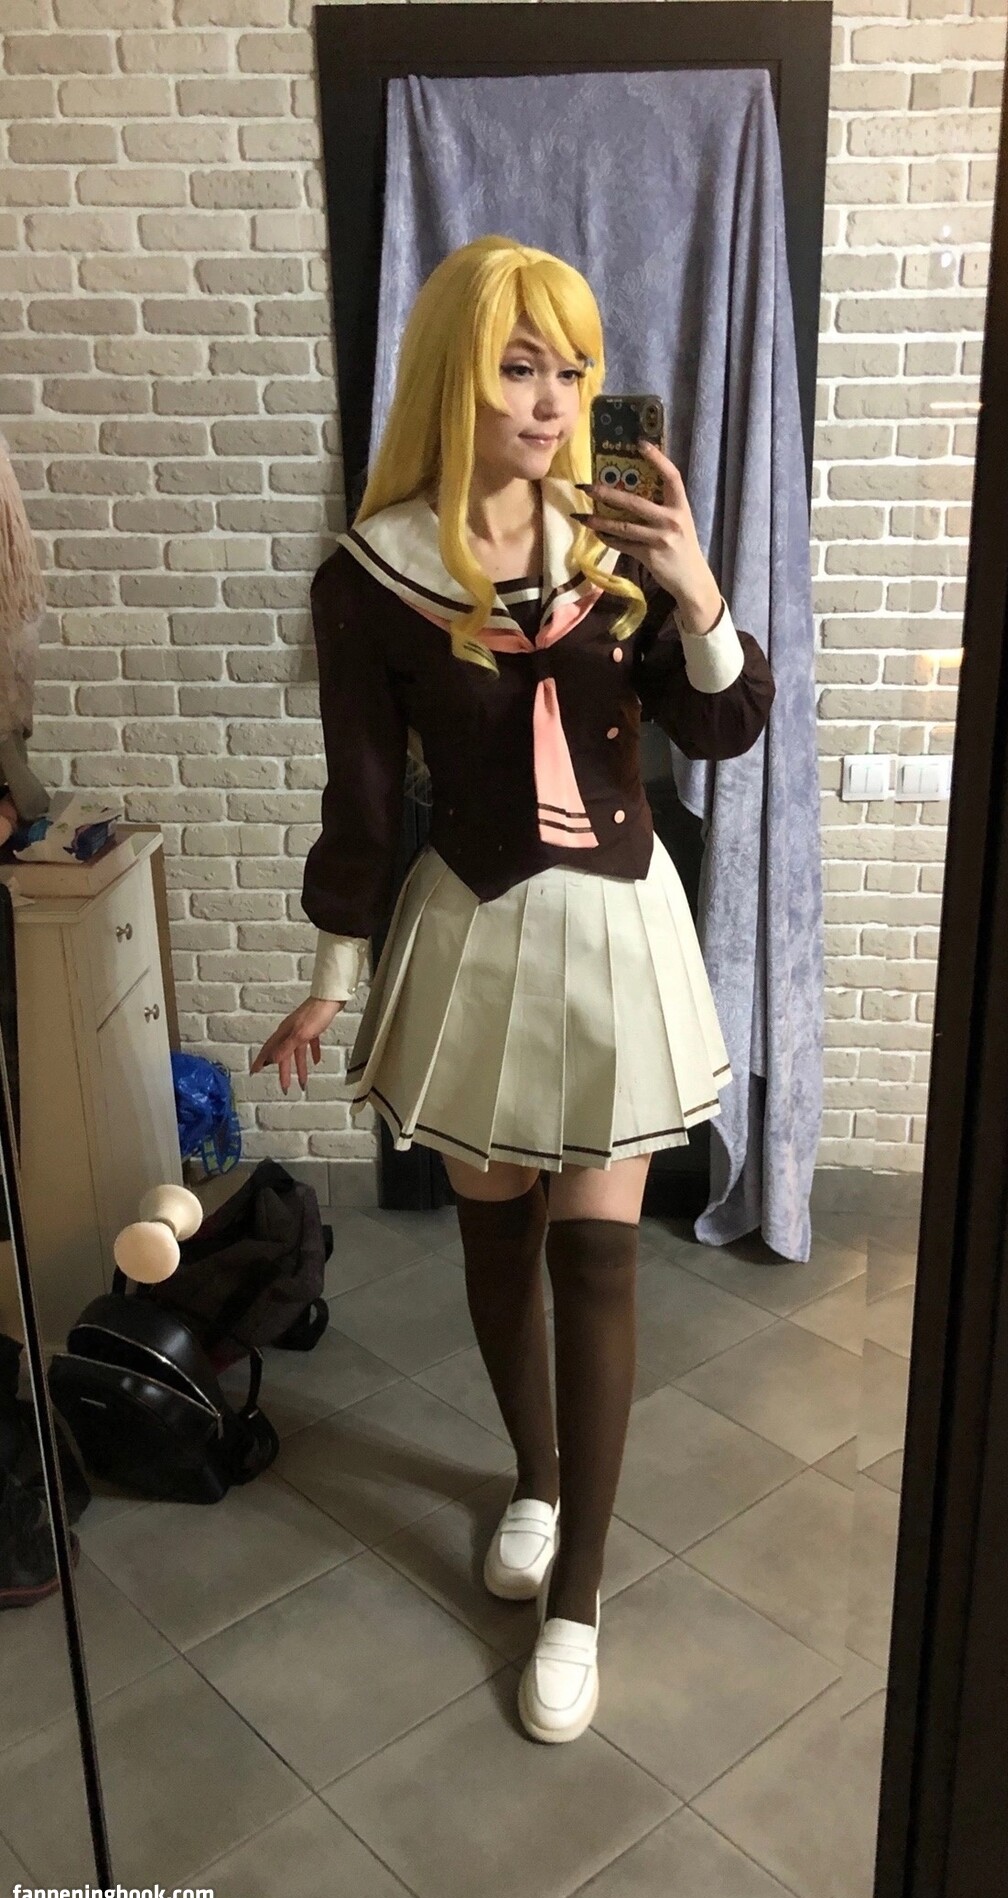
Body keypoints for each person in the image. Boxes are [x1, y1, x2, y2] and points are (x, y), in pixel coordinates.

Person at [252, 236, 775, 1744]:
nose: (553, 402)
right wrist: (331, 977)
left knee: (598, 1263)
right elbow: (363, 800)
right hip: (475, 933)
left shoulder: (613, 549)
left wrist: (696, 590)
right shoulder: (370, 579)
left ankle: (580, 1597)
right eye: (520, 366)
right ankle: (534, 1484)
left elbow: (722, 727)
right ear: (452, 375)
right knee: (498, 1242)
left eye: (573, 370)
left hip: (618, 937)